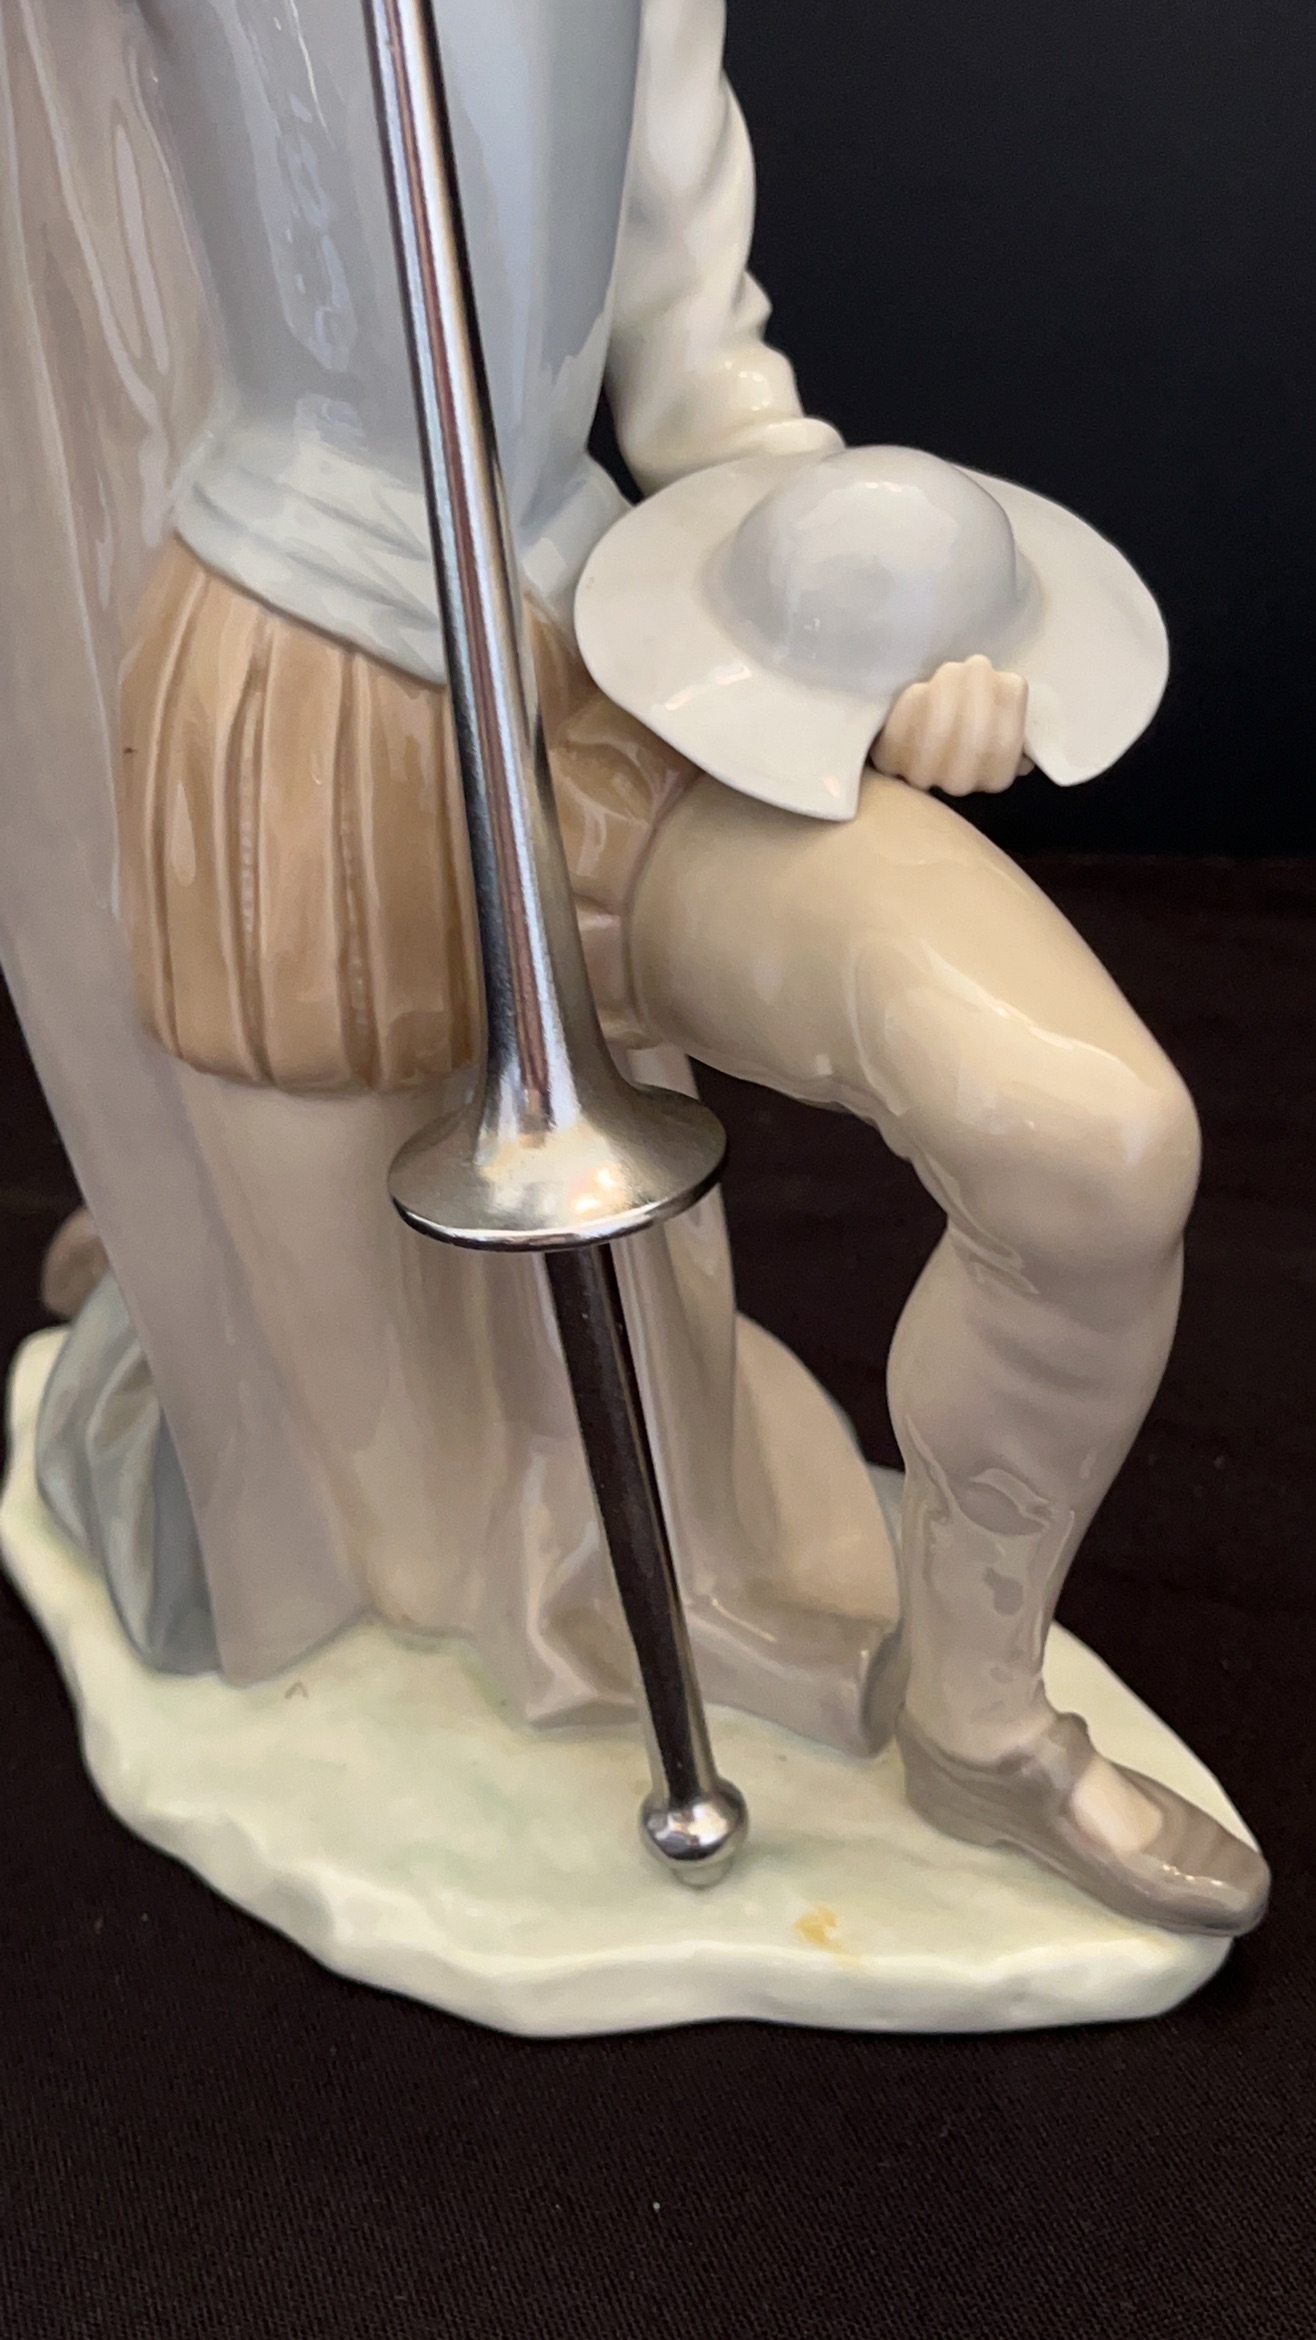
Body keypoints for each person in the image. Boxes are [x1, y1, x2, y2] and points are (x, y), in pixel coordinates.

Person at [3, 0, 1265, 1934]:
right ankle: (181, 1313)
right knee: (397, 1528)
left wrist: (871, 624)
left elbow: (705, 377)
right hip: (282, 733)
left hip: (607, 663)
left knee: (1092, 1145)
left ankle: (979, 1717)